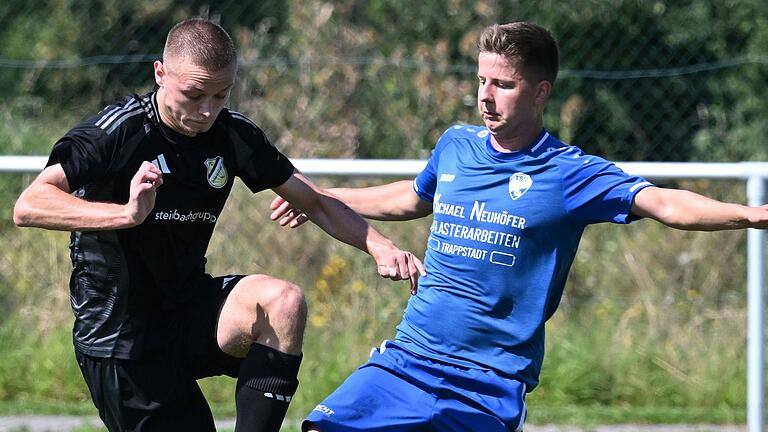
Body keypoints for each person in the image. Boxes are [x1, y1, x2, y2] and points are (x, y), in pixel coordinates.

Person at [269, 21, 768, 432]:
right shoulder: (456, 145)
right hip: (411, 355)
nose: (486, 97)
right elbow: (413, 197)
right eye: (482, 82)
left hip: (490, 379)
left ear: (540, 91)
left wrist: (750, 214)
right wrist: (322, 199)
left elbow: (664, 203)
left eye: (503, 85)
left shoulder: (570, 174)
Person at [12, 17, 424, 432]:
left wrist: (379, 245)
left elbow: (314, 201)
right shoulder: (120, 131)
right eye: (194, 94)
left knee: (281, 303)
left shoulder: (231, 135)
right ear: (160, 73)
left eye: (220, 94)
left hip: (187, 309)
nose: (207, 109)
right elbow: (29, 205)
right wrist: (125, 214)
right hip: (121, 339)